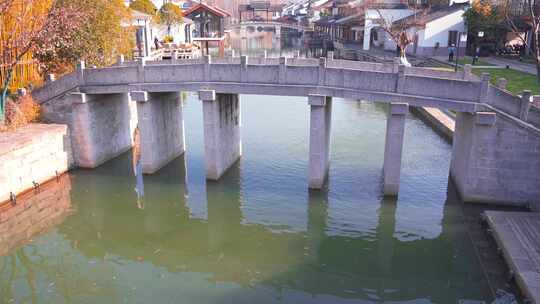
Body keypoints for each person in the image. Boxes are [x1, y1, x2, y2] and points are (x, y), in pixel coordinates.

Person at [132, 126, 144, 209]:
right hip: (139, 165)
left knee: (141, 187)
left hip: (141, 163)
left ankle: (141, 202)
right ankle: (139, 202)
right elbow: (134, 160)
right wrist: (135, 170)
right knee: (139, 186)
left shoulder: (140, 143)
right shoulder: (135, 148)